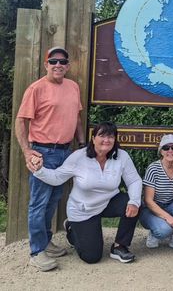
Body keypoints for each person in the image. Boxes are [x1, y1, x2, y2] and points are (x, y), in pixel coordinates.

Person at [31, 121, 142, 265]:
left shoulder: (122, 156)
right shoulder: (79, 157)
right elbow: (57, 177)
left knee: (136, 203)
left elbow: (134, 181)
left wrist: (134, 201)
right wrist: (39, 170)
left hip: (108, 201)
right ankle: (72, 229)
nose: (106, 140)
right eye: (102, 136)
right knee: (92, 257)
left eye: (111, 137)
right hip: (83, 210)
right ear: (93, 138)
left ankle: (120, 246)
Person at [15, 46, 85, 272]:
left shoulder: (73, 87)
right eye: (53, 61)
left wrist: (83, 145)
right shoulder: (36, 89)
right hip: (43, 153)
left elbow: (77, 119)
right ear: (46, 64)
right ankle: (37, 251)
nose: (58, 65)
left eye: (62, 62)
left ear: (68, 66)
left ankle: (45, 242)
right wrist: (27, 151)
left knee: (54, 200)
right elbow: (20, 121)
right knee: (38, 203)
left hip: (66, 153)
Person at [139, 134, 173, 253]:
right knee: (163, 231)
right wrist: (168, 218)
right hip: (151, 210)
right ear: (161, 151)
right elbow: (148, 201)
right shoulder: (153, 168)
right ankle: (155, 232)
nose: (170, 150)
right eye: (166, 148)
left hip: (172, 206)